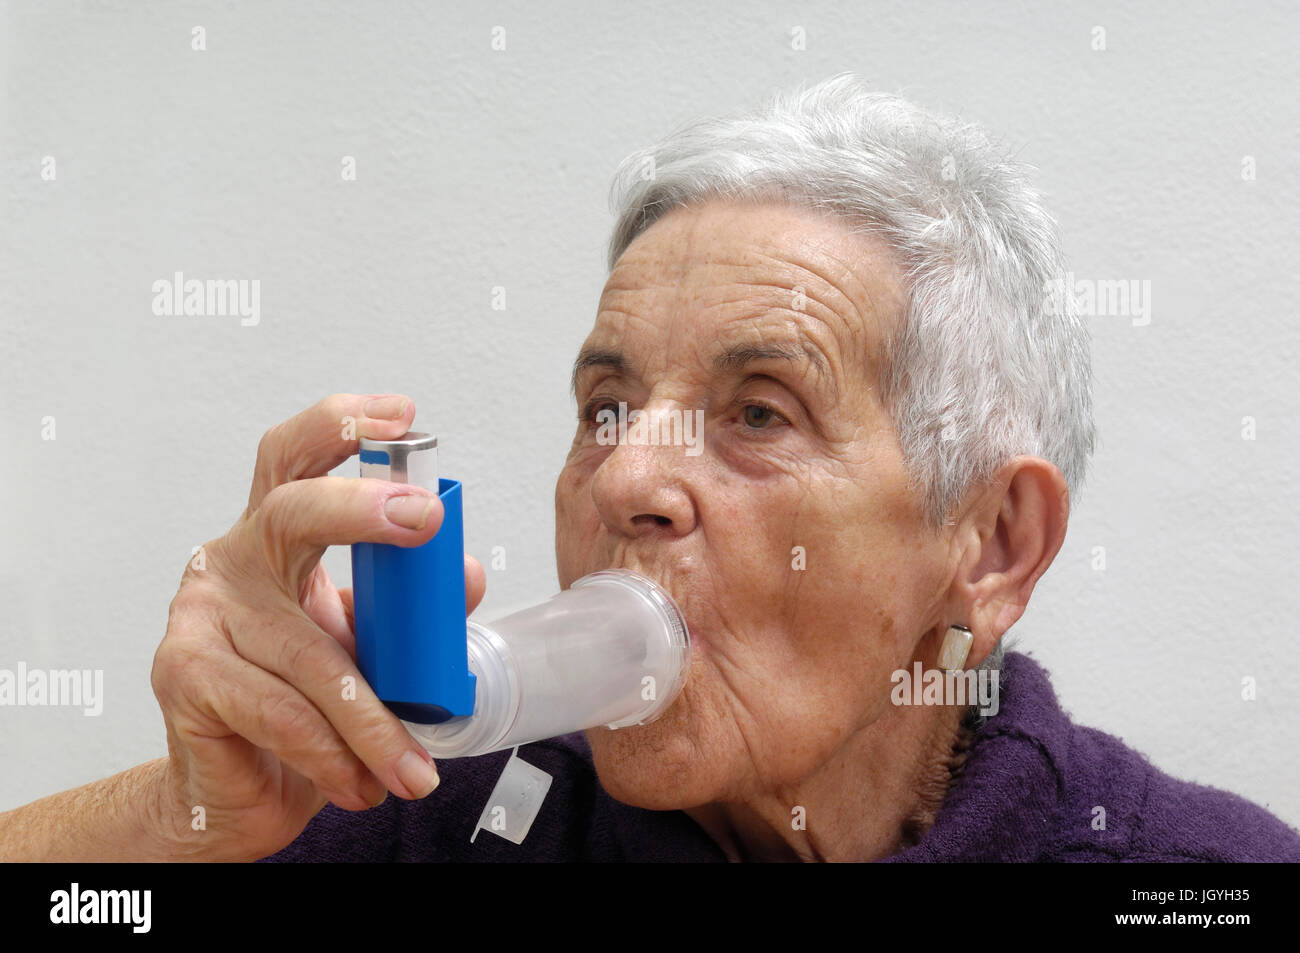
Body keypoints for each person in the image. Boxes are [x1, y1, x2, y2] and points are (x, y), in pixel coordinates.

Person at [3, 74, 1297, 862]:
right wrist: (182, 819)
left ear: (995, 541)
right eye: (607, 403)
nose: (625, 481)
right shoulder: (439, 815)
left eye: (759, 411)